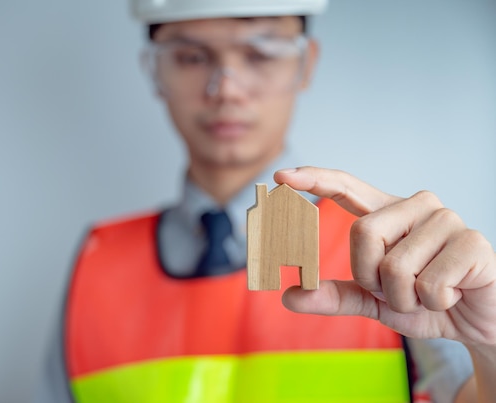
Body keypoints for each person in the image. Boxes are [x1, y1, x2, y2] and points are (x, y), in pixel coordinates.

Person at [34, 1, 496, 402]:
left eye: (261, 53)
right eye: (192, 56)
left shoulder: (398, 253)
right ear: (154, 69)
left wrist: (490, 344)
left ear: (306, 63)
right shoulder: (96, 265)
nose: (227, 89)